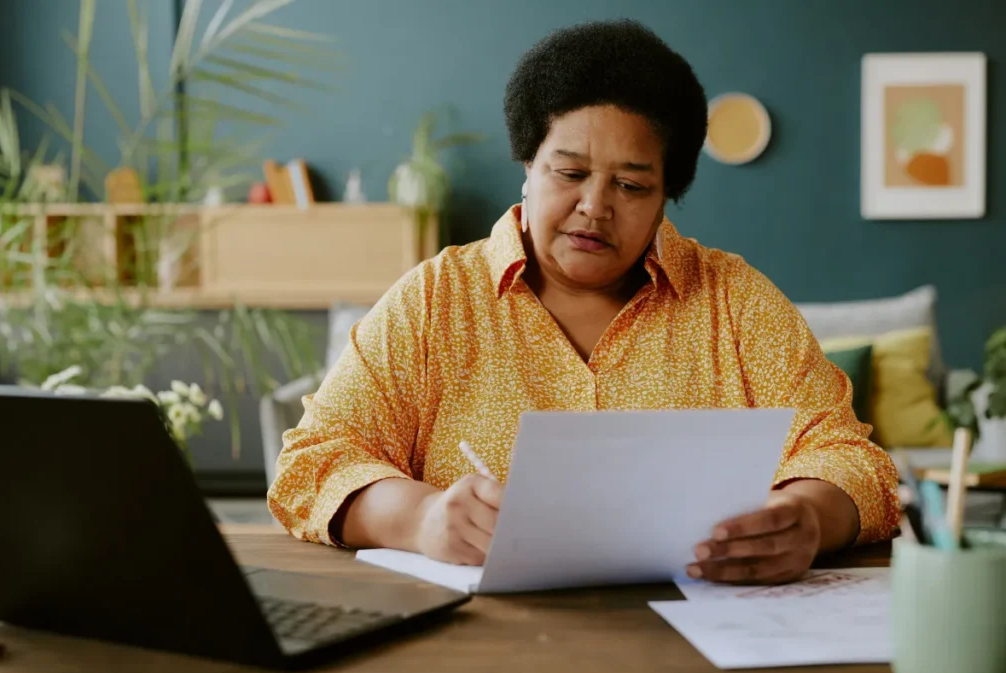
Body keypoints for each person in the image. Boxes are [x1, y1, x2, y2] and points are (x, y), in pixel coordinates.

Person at [268, 19, 899, 585]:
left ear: (665, 197)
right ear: (527, 165)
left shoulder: (735, 303)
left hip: (700, 635)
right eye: (569, 173)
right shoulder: (436, 302)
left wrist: (808, 517)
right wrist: (422, 518)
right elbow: (313, 463)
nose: (595, 206)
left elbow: (851, 460)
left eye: (630, 185)